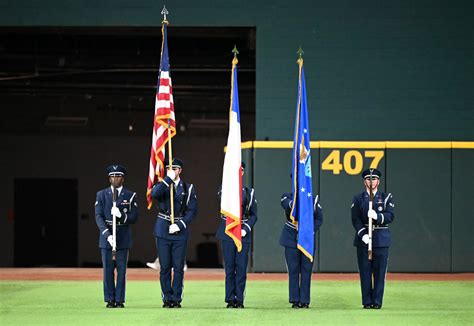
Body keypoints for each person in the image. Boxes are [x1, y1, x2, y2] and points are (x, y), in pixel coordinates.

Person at [150, 158, 198, 308]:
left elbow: (192, 210)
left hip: (179, 230)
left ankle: (176, 298)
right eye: (170, 169)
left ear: (180, 170)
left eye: (175, 169)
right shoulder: (162, 185)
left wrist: (180, 224)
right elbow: (154, 195)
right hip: (163, 228)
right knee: (165, 267)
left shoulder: (188, 188)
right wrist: (167, 180)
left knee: (178, 267)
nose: (173, 171)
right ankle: (167, 298)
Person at [95, 164, 138, 308]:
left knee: (121, 271)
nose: (115, 179)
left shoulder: (130, 195)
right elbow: (98, 217)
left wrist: (121, 215)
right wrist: (107, 234)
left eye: (118, 176)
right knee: (108, 270)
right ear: (109, 178)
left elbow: (134, 217)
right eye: (112, 176)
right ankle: (109, 299)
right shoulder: (101, 195)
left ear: (123, 178)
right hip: (107, 237)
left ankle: (119, 299)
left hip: (123, 236)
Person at [351, 168, 395, 309]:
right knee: (365, 272)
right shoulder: (358, 199)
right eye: (369, 179)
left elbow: (390, 216)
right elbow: (355, 219)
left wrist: (377, 216)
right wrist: (363, 234)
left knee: (379, 272)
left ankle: (377, 302)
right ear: (365, 181)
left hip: (381, 239)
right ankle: (367, 302)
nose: (371, 182)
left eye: (374, 179)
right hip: (364, 240)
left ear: (378, 181)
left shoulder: (387, 197)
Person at [216, 162, 257, 308]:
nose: (238, 173)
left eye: (241, 171)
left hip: (242, 233)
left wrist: (246, 228)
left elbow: (253, 215)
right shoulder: (224, 190)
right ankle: (229, 299)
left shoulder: (249, 192)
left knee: (241, 267)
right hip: (228, 231)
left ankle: (239, 299)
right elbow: (222, 203)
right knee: (229, 267)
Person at [279, 190, 323, 309]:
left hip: (307, 238)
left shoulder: (312, 198)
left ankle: (304, 300)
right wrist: (299, 200)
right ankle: (294, 300)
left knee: (306, 270)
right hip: (291, 237)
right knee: (293, 271)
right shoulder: (287, 196)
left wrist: (309, 230)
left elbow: (319, 218)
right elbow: (286, 205)